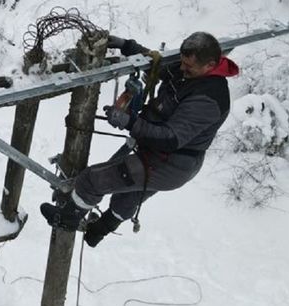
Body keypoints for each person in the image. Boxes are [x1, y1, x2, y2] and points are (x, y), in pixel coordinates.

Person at [41, 32, 239, 247]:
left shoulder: (208, 98)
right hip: (164, 156)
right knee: (128, 197)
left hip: (168, 162)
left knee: (92, 180)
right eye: (182, 63)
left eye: (188, 66)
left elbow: (171, 138)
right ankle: (99, 230)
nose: (182, 68)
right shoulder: (190, 73)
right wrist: (126, 46)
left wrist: (129, 122)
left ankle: (66, 219)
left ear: (210, 65)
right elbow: (158, 65)